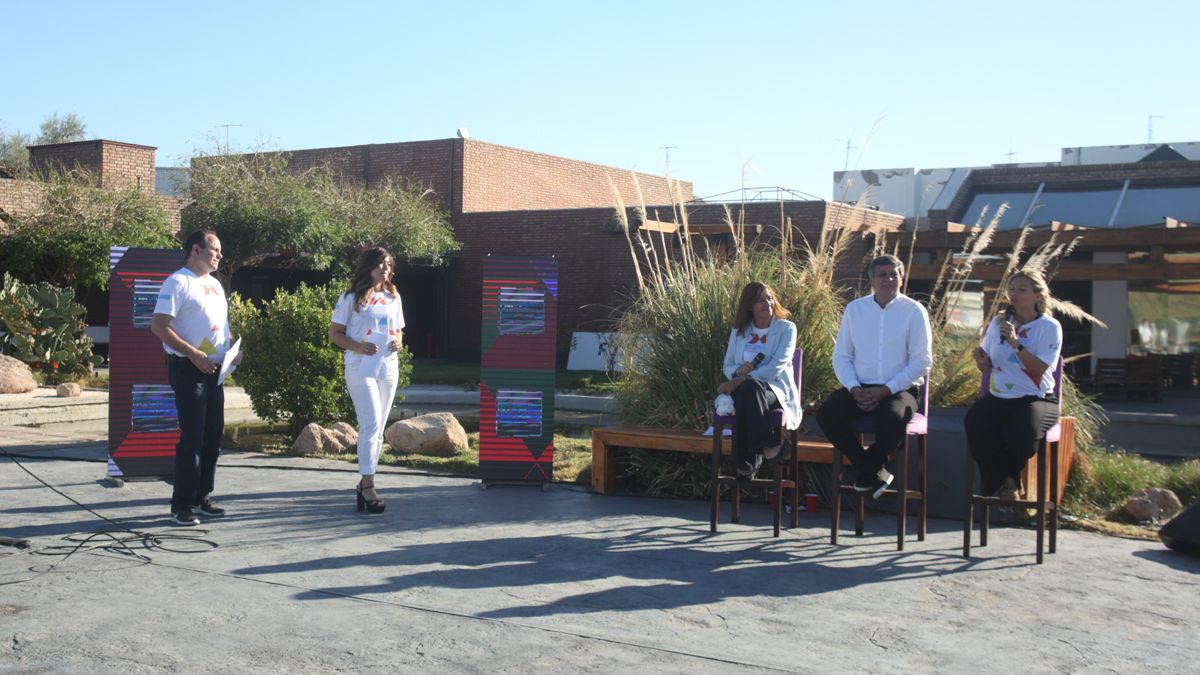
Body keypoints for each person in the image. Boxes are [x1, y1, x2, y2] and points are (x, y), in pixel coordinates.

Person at [817, 254, 932, 499]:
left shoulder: (914, 311)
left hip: (899, 389)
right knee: (827, 413)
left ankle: (868, 468)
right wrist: (854, 388)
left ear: (901, 278)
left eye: (893, 274)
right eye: (882, 275)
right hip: (860, 388)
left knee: (893, 417)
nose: (888, 279)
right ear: (872, 279)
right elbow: (842, 357)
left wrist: (886, 390)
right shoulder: (855, 310)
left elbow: (922, 361)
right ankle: (871, 468)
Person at [151, 230, 241, 526]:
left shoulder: (215, 284)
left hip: (215, 370)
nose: (220, 255)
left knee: (212, 436)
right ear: (195, 250)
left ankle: (202, 497)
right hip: (188, 369)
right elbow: (159, 327)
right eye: (215, 249)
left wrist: (231, 350)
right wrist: (192, 353)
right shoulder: (177, 282)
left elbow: (219, 325)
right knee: (192, 437)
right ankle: (181, 505)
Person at [965, 270, 1062, 500]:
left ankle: (1009, 481)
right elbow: (987, 368)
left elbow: (1039, 369)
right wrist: (981, 361)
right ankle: (1006, 484)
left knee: (1023, 430)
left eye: (1021, 290)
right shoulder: (998, 322)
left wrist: (1015, 343)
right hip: (1000, 397)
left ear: (1038, 295)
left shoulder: (1049, 327)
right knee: (975, 421)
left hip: (1036, 397)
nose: (1014, 294)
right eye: (1011, 289)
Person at [328, 247, 405, 514]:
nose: (385, 268)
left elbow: (399, 331)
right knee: (370, 423)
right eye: (380, 264)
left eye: (388, 264)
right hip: (360, 366)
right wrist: (358, 347)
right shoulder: (351, 298)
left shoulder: (393, 297)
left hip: (388, 365)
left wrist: (398, 341)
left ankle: (363, 484)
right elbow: (335, 334)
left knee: (379, 428)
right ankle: (369, 484)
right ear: (368, 266)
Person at [716, 281, 803, 480]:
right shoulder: (739, 330)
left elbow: (777, 366)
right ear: (749, 305)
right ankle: (767, 446)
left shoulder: (786, 329)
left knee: (749, 389)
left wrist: (740, 380)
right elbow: (727, 365)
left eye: (770, 298)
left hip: (774, 389)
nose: (767, 303)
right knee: (747, 392)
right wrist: (738, 372)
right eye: (761, 300)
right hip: (747, 390)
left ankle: (746, 463)